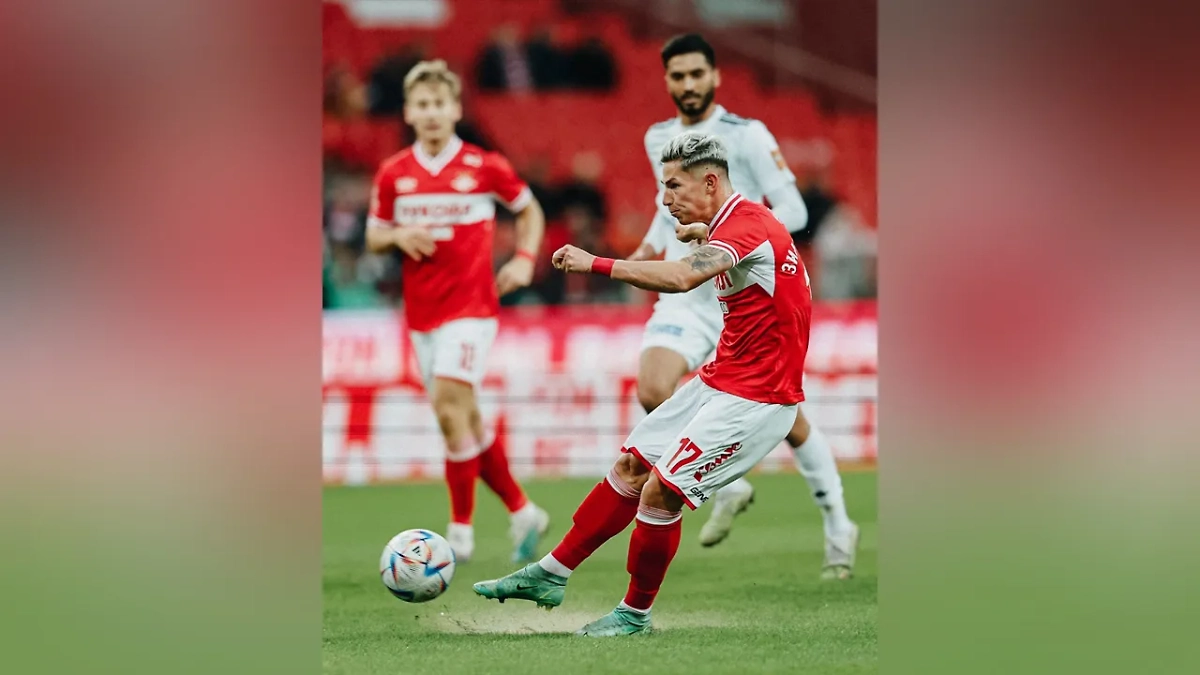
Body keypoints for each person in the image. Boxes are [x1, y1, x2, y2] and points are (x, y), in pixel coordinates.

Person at [474, 132, 811, 636]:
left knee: (660, 493)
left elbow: (681, 278)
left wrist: (596, 263)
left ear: (711, 182)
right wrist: (702, 230)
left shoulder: (746, 227)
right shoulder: (736, 223)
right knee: (631, 468)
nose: (665, 198)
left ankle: (634, 615)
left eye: (673, 186)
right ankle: (550, 573)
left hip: (758, 399)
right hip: (721, 382)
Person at [626, 34, 857, 575]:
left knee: (788, 418)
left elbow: (794, 211)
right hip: (690, 291)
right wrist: (645, 250)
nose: (688, 84)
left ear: (715, 76)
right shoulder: (657, 136)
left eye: (696, 74)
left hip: (747, 292)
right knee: (652, 388)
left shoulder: (746, 135)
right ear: (666, 81)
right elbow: (666, 208)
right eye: (678, 76)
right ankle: (728, 486)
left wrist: (729, 238)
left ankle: (838, 522)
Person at [365, 60, 550, 564]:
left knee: (449, 407)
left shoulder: (484, 166)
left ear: (455, 109)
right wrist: (398, 235)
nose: (430, 113)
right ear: (408, 112)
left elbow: (530, 209)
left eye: (439, 104)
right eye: (421, 104)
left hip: (472, 308)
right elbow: (374, 234)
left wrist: (525, 259)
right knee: (463, 416)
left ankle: (460, 532)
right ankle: (523, 511)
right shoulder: (394, 173)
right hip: (422, 313)